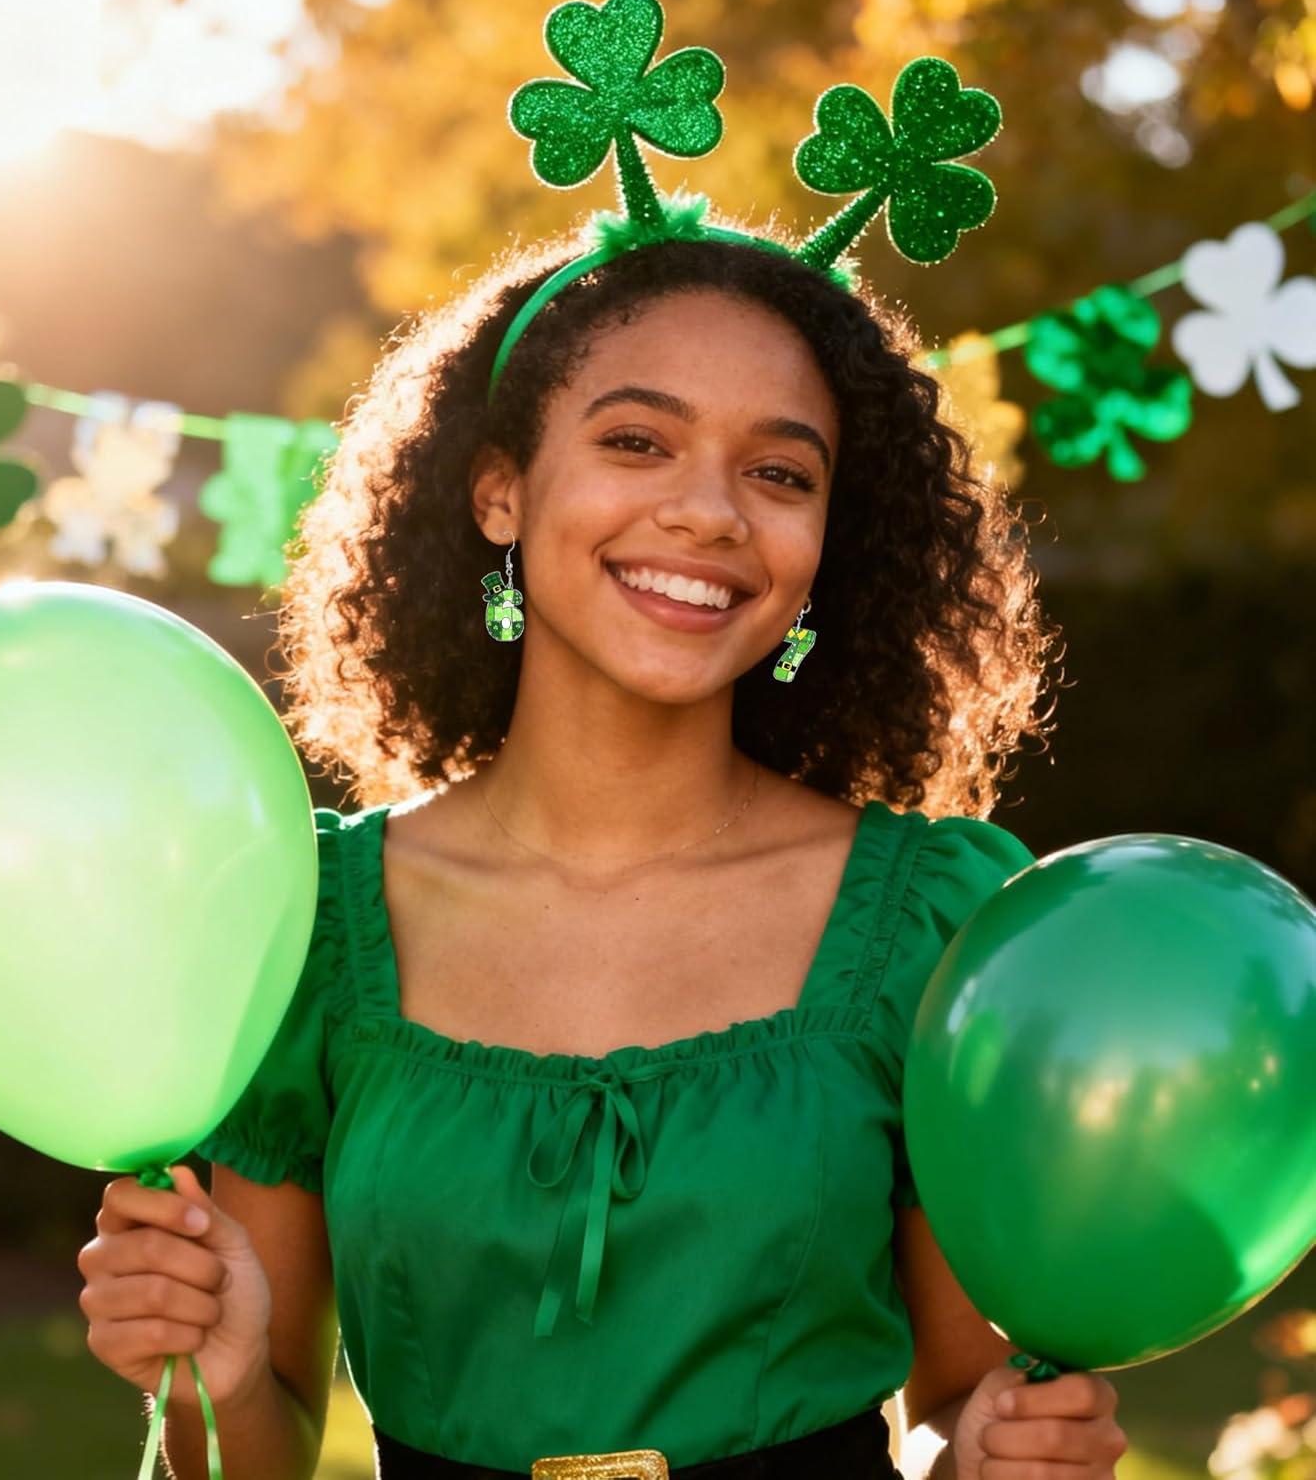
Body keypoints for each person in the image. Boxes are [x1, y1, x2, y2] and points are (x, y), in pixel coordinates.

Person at [76, 220, 1130, 1480]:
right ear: (501, 488)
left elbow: (957, 1401)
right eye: (638, 441)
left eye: (782, 474)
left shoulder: (928, 920)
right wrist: (223, 1372)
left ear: (826, 543)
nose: (709, 512)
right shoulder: (314, 925)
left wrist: (993, 1454)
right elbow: (254, 1450)